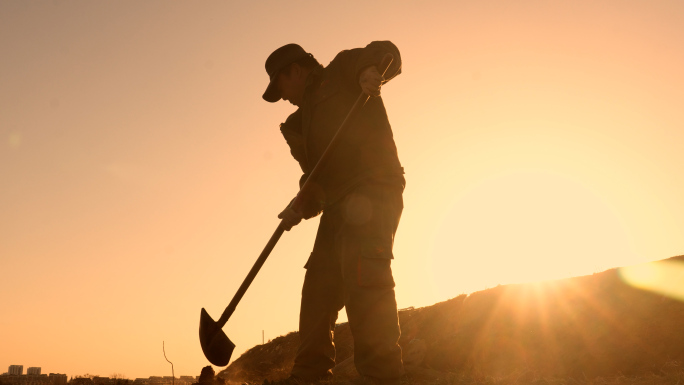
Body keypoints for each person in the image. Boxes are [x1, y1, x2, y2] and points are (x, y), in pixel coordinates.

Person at [262, 41, 405, 384]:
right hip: (339, 206)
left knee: (363, 276)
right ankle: (307, 377)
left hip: (374, 188)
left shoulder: (343, 70)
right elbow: (317, 181)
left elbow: (386, 52)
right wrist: (301, 204)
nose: (281, 97)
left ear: (295, 70)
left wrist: (371, 71)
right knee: (317, 291)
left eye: (279, 86)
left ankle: (380, 377)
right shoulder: (297, 125)